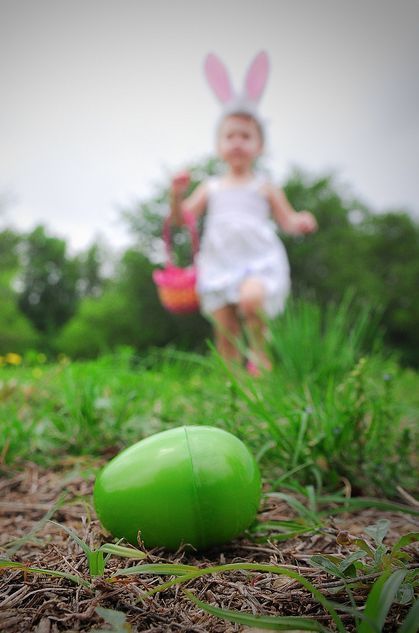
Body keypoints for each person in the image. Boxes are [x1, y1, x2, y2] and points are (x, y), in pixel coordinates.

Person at [169, 52, 317, 373]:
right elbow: (182, 219)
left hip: (257, 260)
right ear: (219, 145)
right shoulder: (211, 187)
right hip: (219, 261)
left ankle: (260, 357)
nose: (238, 142)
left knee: (251, 301)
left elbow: (287, 220)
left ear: (259, 146)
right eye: (230, 136)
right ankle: (232, 384)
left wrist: (300, 221)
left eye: (246, 136)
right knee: (224, 327)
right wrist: (176, 195)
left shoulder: (264, 186)